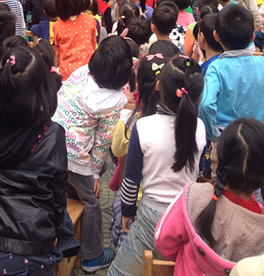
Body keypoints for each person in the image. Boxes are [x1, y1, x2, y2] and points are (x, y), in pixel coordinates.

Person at [0, 46, 67, 276]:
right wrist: (56, 229)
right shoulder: (52, 134)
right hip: (32, 252)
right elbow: (58, 196)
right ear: (43, 90)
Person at [108, 55, 205, 276]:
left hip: (151, 216)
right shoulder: (200, 128)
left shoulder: (143, 126)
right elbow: (198, 172)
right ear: (198, 96)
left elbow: (131, 180)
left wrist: (127, 212)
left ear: (158, 86)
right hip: (185, 215)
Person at [54, 37, 136, 272]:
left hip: (52, 140)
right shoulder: (116, 101)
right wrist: (95, 174)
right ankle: (92, 256)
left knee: (76, 182)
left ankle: (72, 202)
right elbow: (102, 142)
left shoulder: (82, 72)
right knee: (92, 200)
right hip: (75, 154)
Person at [155, 118, 264, 276]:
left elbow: (163, 241)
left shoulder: (194, 195)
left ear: (218, 159)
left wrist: (185, 260)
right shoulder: (260, 226)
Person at [198, 4, 264, 175]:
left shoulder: (216, 68)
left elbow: (205, 104)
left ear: (216, 36)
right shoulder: (261, 63)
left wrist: (214, 135)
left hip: (226, 142)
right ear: (252, 37)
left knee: (223, 185)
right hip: (258, 139)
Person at [53, 0, 96, 81]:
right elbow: (93, 45)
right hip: (88, 72)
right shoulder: (90, 20)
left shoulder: (58, 25)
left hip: (67, 75)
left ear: (59, 6)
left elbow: (58, 52)